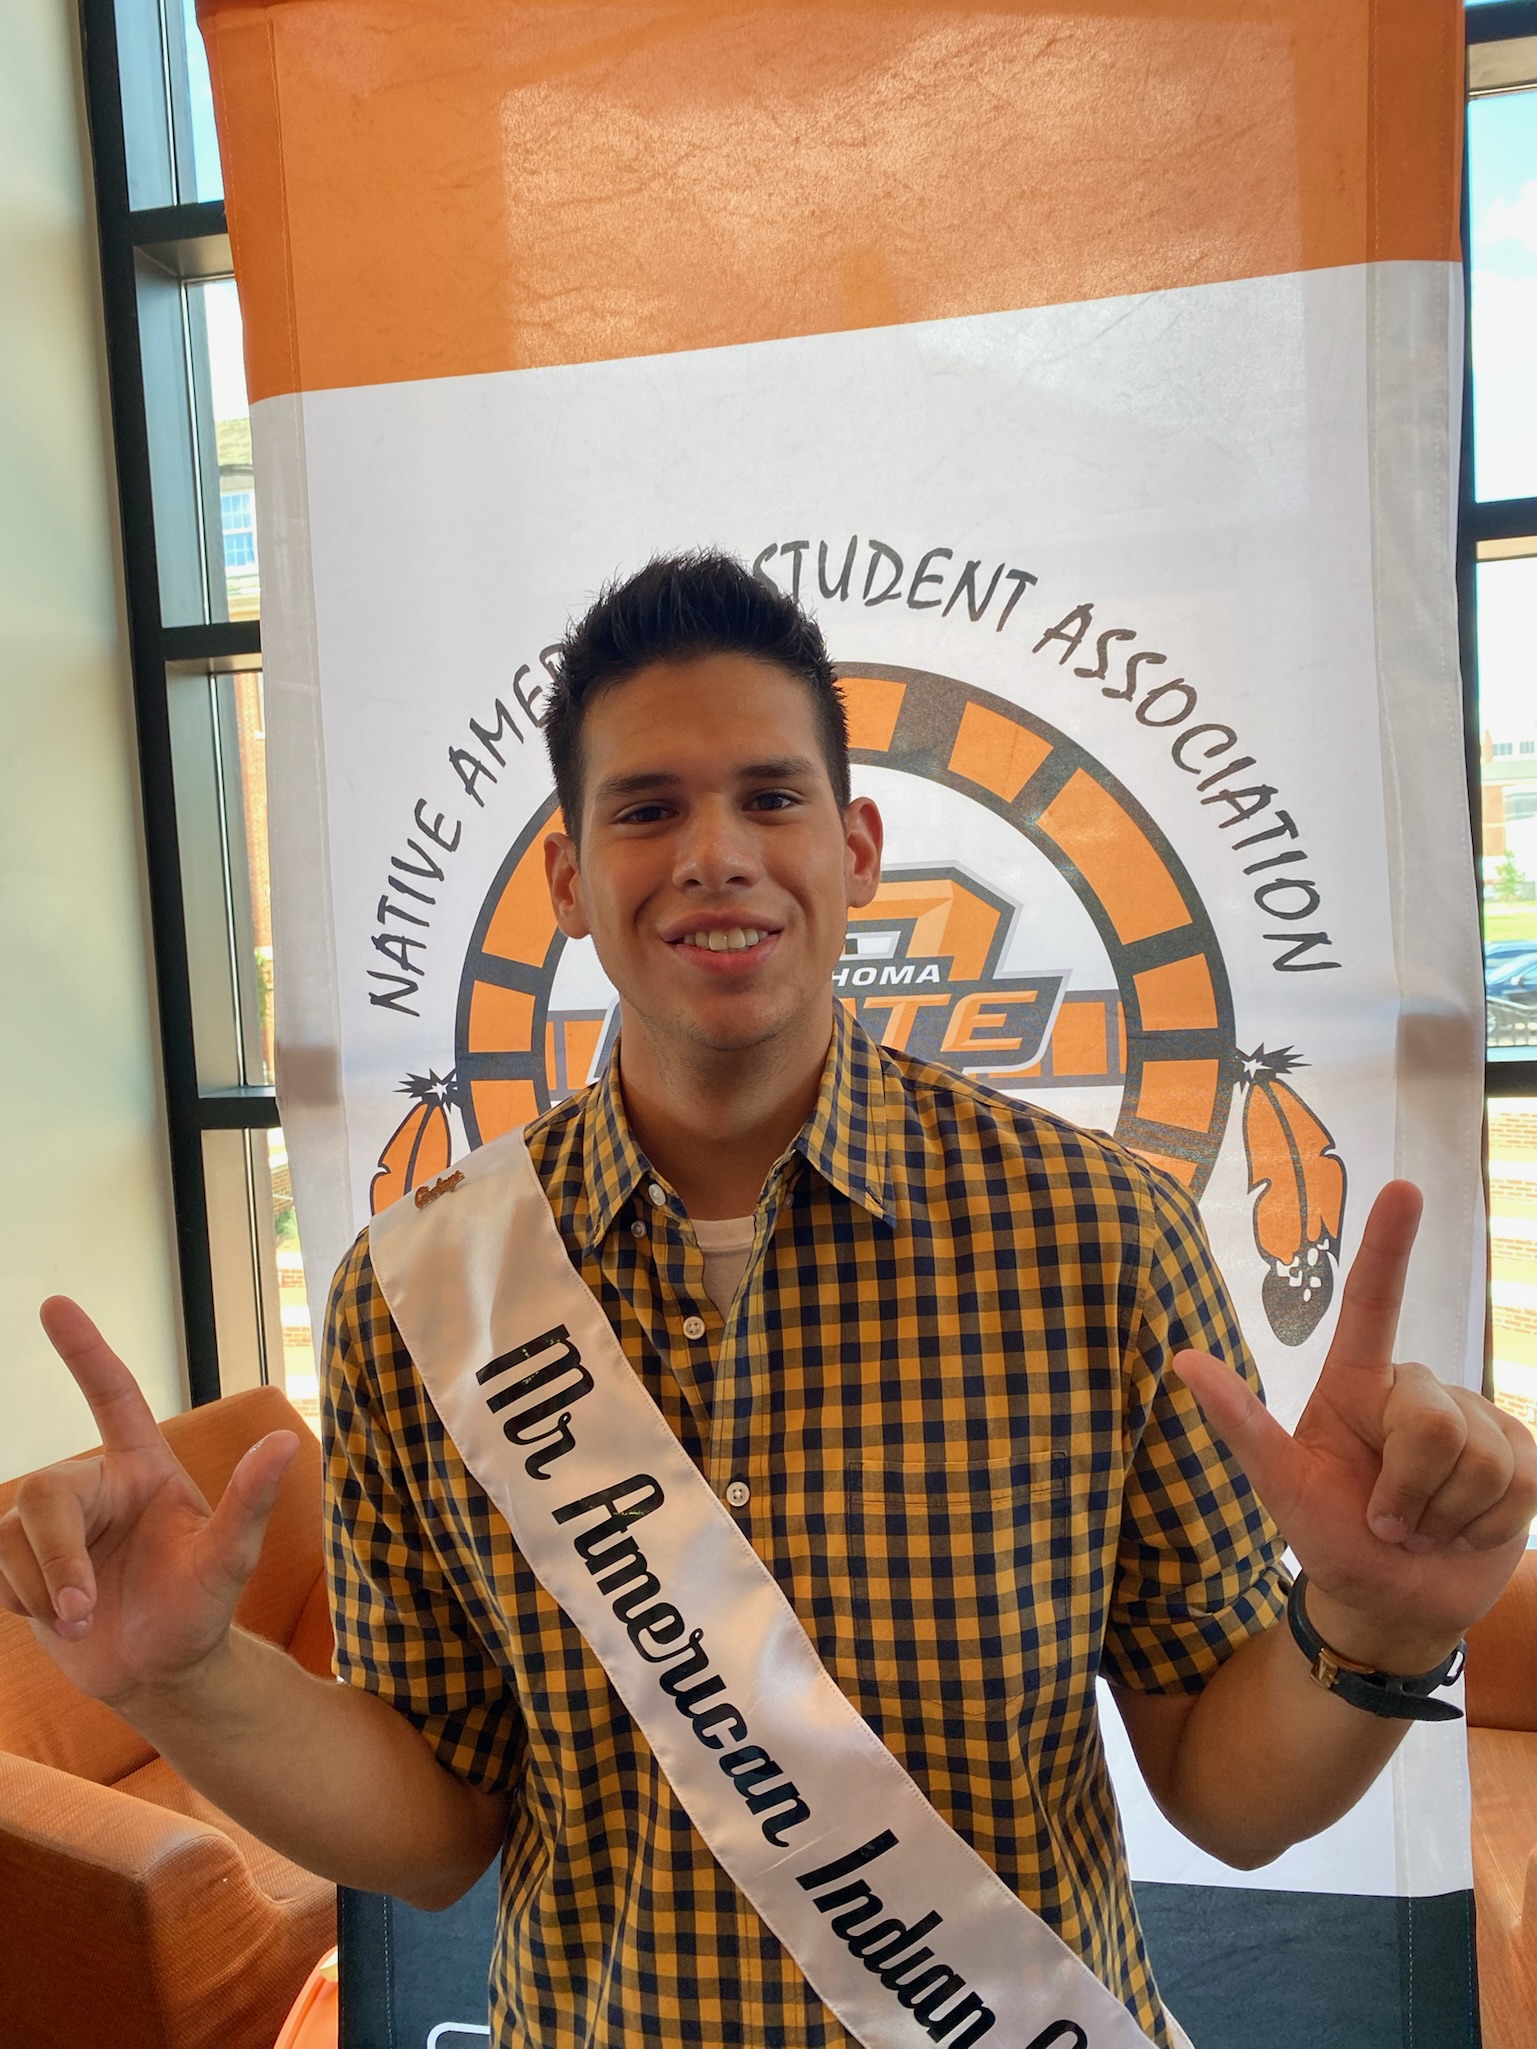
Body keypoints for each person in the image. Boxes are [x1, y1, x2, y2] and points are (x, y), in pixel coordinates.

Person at [2, 553, 1531, 2049]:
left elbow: (1223, 1785)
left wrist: (1368, 1623)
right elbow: (434, 1826)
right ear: (568, 877)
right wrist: (188, 1682)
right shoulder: (418, 1292)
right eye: (647, 807)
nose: (714, 851)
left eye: (770, 796)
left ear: (856, 848)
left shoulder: (1101, 1234)